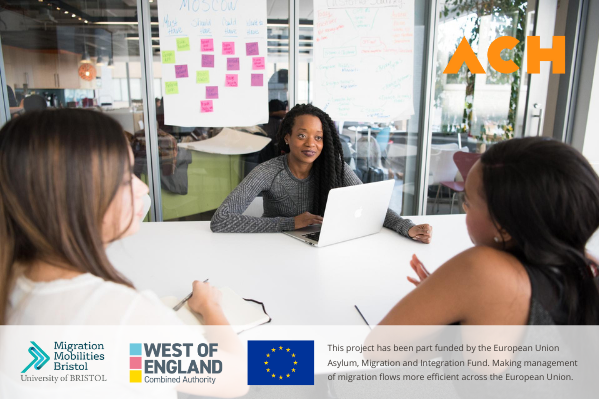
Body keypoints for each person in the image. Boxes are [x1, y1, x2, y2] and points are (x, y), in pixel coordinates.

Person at [0, 110, 247, 397]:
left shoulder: (14, 279)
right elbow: (237, 378)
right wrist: (210, 306)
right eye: (125, 178)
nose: (142, 186)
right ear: (77, 197)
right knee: (296, 359)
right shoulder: (119, 317)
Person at [367, 137, 599, 327]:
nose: (465, 208)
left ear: (505, 227)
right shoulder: (587, 266)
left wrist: (447, 298)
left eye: (467, 201)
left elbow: (378, 350)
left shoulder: (480, 268)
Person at [210, 103, 433, 242]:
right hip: (273, 250)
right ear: (287, 137)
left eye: (318, 137)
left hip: (320, 248)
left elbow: (371, 206)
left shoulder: (333, 168)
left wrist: (408, 227)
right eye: (301, 135)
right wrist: (289, 223)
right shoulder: (269, 171)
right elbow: (221, 220)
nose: (311, 144)